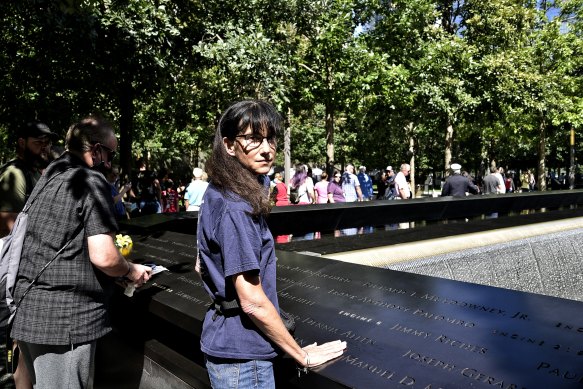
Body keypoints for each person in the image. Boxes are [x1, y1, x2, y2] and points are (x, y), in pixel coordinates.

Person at [196, 100, 346, 388]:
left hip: (226, 343)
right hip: (245, 359)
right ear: (229, 145)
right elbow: (252, 301)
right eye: (253, 138)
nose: (266, 148)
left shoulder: (217, 191)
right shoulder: (236, 208)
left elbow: (199, 265)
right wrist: (300, 354)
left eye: (270, 138)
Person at [10, 117, 152, 388]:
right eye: (109, 154)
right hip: (64, 322)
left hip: (29, 308)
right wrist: (131, 270)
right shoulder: (88, 179)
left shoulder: (50, 174)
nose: (109, 163)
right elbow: (105, 256)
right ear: (96, 150)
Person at [0, 122, 57, 237]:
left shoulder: (33, 171)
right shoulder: (15, 173)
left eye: (47, 143)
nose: (44, 148)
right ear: (22, 143)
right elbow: (8, 226)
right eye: (39, 142)